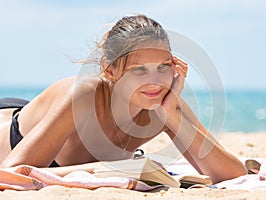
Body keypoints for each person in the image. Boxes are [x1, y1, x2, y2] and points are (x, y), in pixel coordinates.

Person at [0, 14, 247, 183]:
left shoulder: (163, 103)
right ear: (110, 71)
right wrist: (101, 169)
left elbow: (233, 174)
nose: (156, 82)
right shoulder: (86, 96)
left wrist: (171, 115)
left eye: (163, 66)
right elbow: (10, 173)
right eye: (139, 70)